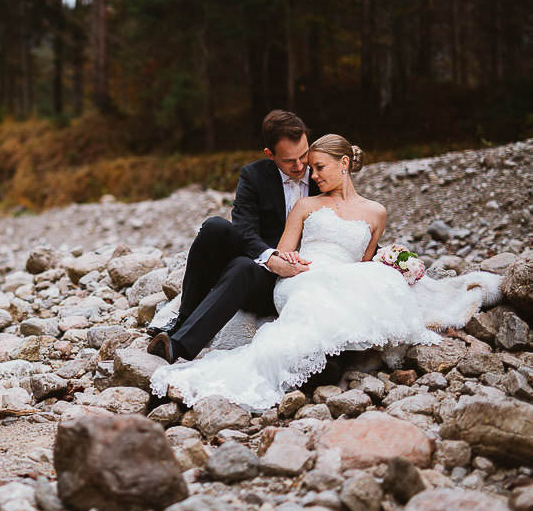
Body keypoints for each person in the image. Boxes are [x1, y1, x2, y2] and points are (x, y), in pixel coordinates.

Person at [149, 134, 502, 411]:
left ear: (344, 163)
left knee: (374, 283)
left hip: (343, 275)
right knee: (307, 292)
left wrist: (396, 263)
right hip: (302, 272)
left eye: (319, 168)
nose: (313, 176)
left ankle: (330, 361)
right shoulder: (307, 204)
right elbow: (287, 248)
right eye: (310, 169)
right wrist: (287, 263)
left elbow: (364, 262)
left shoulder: (376, 212)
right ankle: (281, 363)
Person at [147, 109, 320, 363]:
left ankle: (178, 345)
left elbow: (353, 219)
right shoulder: (254, 175)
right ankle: (185, 317)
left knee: (241, 266)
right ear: (270, 155)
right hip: (263, 264)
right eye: (289, 160)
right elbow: (244, 229)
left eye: (304, 155)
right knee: (216, 227)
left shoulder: (323, 175)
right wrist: (271, 258)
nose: (299, 165)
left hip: (297, 276)